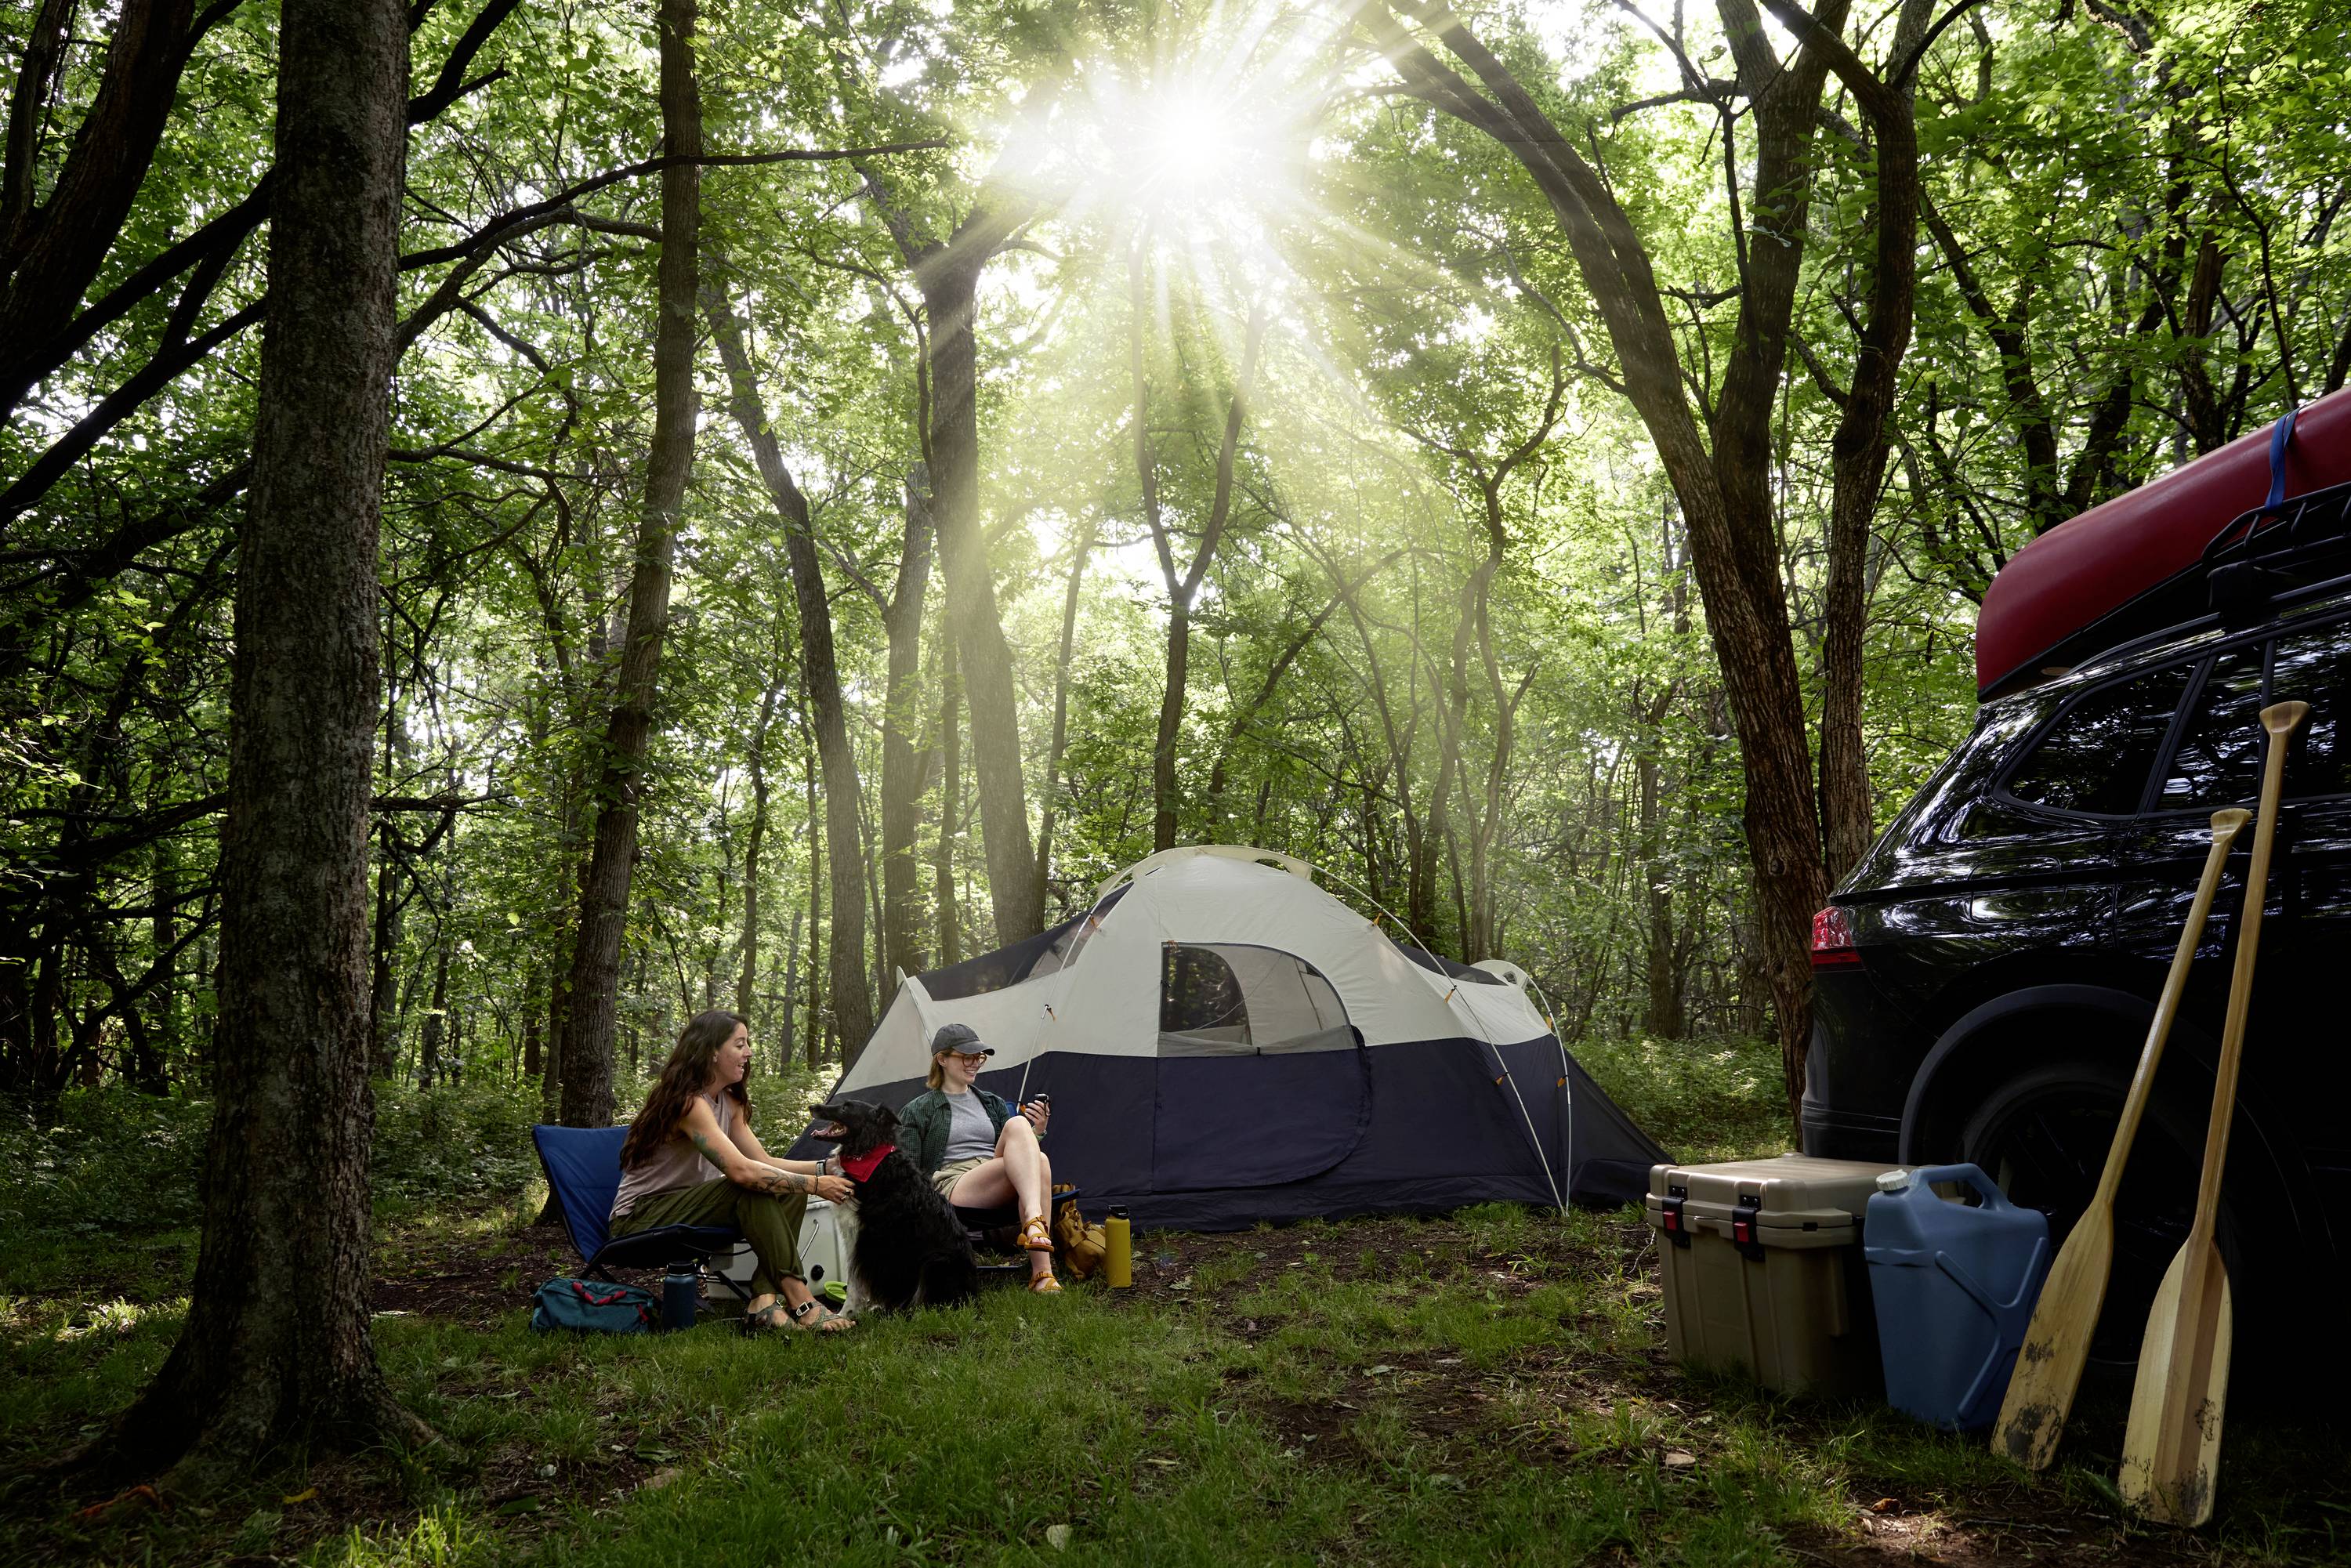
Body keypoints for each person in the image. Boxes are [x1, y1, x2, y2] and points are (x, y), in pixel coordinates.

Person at [610, 1009, 856, 1332]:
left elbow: (763, 1162)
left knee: (788, 1190)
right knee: (750, 1185)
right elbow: (742, 1172)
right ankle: (801, 1301)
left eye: (748, 1044)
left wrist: (826, 1167)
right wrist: (814, 1183)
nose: (749, 1052)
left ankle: (763, 1302)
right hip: (640, 1219)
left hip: (692, 1211)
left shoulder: (730, 1102)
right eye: (740, 1044)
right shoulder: (688, 1103)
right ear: (712, 1051)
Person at [894, 1023, 1060, 1292]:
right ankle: (1038, 1248)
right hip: (954, 1183)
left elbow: (1018, 1151)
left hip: (993, 1173)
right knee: (1023, 1132)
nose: (975, 1063)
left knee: (1035, 1154)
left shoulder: (991, 1103)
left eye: (979, 1057)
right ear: (942, 1059)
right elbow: (908, 1166)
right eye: (967, 1057)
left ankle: (1042, 1270)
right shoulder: (918, 1110)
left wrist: (1037, 1133)